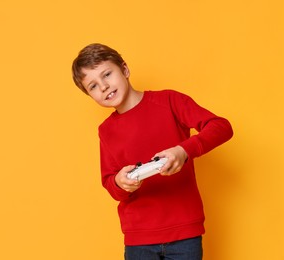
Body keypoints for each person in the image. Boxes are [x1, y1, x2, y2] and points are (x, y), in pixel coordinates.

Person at [71, 43, 233, 260]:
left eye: (107, 74)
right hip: (138, 239)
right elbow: (110, 182)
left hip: (185, 231)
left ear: (125, 70)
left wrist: (183, 150)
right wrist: (121, 182)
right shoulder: (106, 131)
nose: (103, 86)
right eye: (93, 86)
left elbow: (221, 127)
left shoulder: (169, 101)